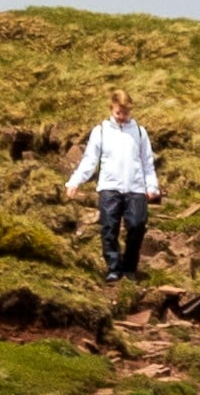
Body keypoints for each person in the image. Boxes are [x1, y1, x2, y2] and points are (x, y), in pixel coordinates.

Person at [64, 86, 159, 281]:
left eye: (126, 112)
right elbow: (90, 160)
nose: (122, 116)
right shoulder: (101, 131)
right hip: (109, 187)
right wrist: (74, 182)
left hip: (135, 188)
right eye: (118, 112)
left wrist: (152, 187)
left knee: (137, 224)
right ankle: (114, 268)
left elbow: (147, 162)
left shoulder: (140, 132)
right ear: (111, 109)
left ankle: (130, 267)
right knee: (109, 228)